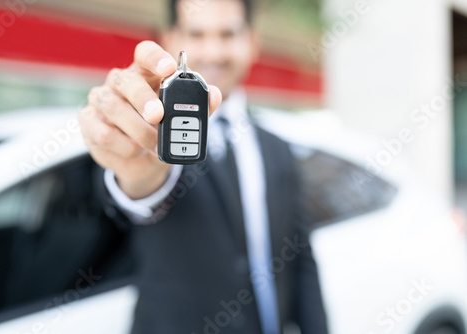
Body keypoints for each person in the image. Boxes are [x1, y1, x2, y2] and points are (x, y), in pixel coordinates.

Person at [79, 0, 329, 333]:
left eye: (227, 34)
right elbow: (137, 193)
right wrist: (137, 171)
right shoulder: (150, 134)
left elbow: (300, 260)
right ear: (170, 39)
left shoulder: (278, 149)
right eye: (196, 34)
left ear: (252, 42)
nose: (213, 52)